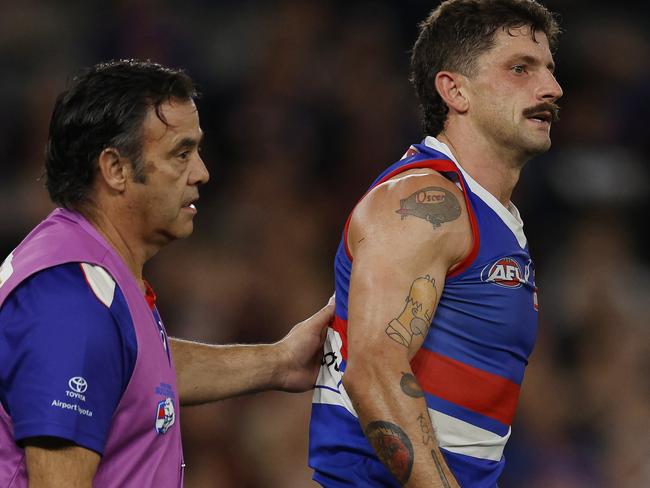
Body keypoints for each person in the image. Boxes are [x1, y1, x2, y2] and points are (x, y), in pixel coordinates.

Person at [0, 60, 333, 487]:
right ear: (116, 169)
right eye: (181, 153)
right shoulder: (72, 303)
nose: (202, 172)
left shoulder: (90, 270)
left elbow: (135, 368)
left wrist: (280, 362)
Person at [309, 0, 562, 486]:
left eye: (549, 69)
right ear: (455, 91)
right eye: (520, 68)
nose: (552, 88)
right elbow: (374, 370)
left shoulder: (490, 214)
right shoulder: (424, 203)